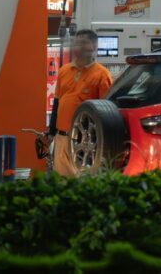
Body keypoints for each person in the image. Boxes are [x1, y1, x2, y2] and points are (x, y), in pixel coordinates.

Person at [48, 29, 113, 176]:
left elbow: (107, 111)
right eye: (77, 43)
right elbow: (57, 102)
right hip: (61, 137)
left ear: (94, 47)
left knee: (81, 180)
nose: (78, 47)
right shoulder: (64, 70)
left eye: (84, 43)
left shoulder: (102, 75)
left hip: (85, 140)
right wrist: (51, 132)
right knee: (60, 180)